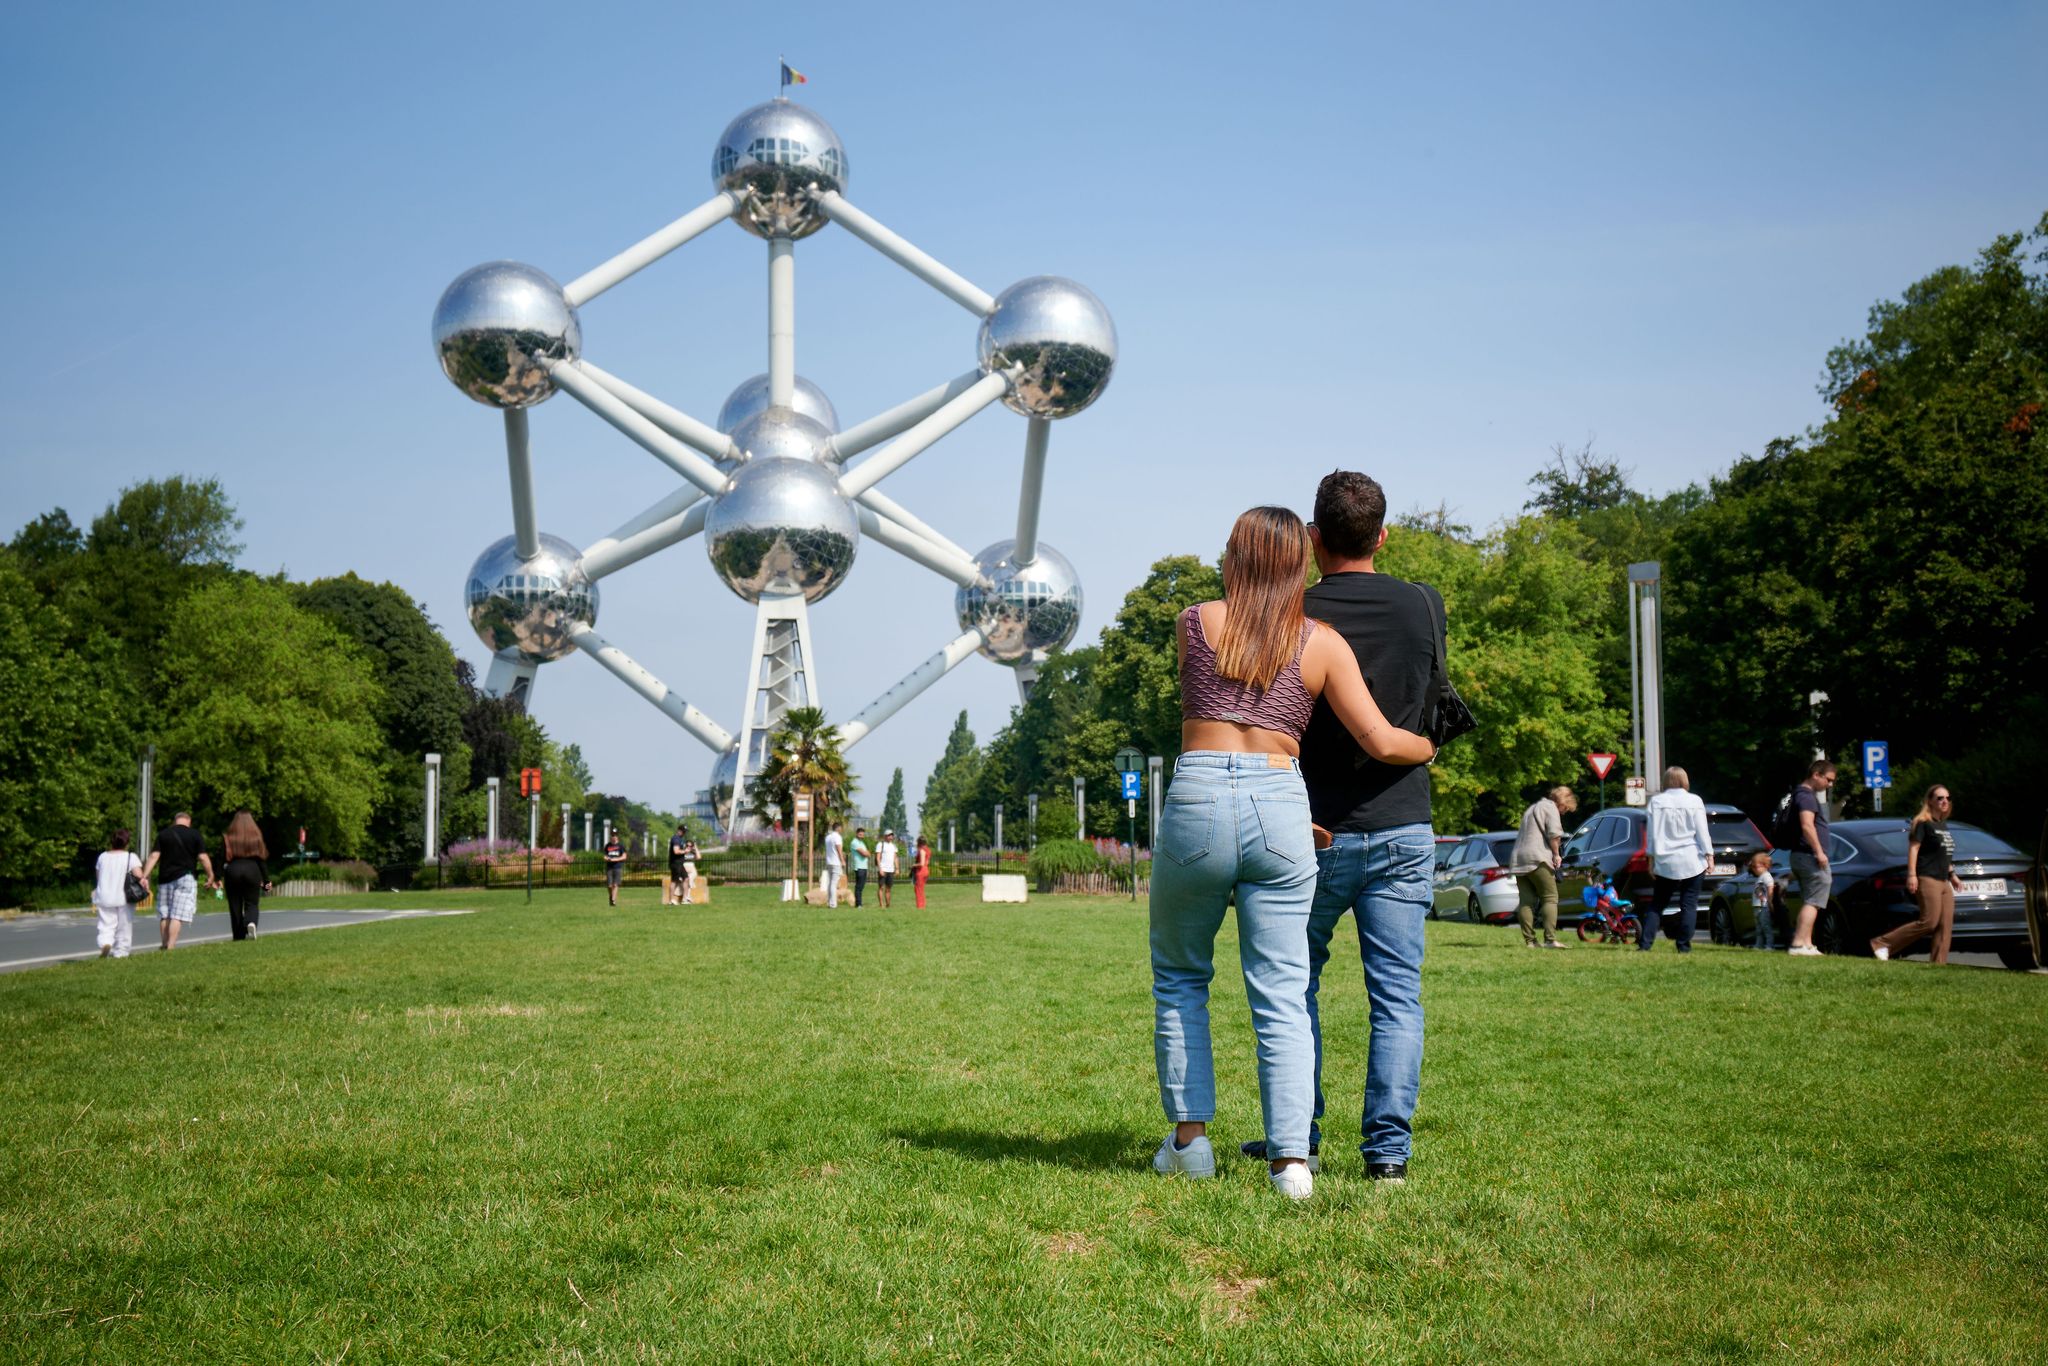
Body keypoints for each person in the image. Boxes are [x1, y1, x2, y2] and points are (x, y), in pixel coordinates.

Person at [1151, 505, 1435, 1201]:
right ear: (1299, 563)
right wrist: (1427, 743)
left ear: (1235, 559)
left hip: (1197, 798)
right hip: (1283, 804)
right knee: (1281, 991)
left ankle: (1190, 1144)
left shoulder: (1193, 622)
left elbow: (1225, 685)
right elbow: (1377, 737)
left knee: (1182, 977)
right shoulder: (1323, 643)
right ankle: (1291, 1165)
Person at [1248, 470, 1447, 1187]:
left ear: (1313, 537)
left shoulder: (1287, 613)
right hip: (1403, 822)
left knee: (1294, 985)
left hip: (1311, 827)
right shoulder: (1424, 607)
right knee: (1397, 994)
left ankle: (1298, 1133)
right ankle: (1388, 1153)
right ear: (1383, 536)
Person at [1872, 784, 1963, 963]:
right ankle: (1882, 944)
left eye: (1947, 798)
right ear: (1929, 801)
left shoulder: (1942, 825)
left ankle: (1938, 965)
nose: (1945, 801)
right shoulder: (1922, 823)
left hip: (1944, 880)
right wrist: (1912, 875)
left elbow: (1944, 854)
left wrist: (1953, 875)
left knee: (1945, 926)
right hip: (1927, 878)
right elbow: (1913, 850)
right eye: (1940, 798)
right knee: (1929, 921)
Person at [1640, 767, 1713, 952]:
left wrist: (1651, 859)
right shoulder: (1695, 800)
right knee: (1689, 904)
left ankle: (1645, 944)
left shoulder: (1656, 802)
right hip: (1692, 859)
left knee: (1657, 904)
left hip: (1666, 860)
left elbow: (1653, 836)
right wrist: (1709, 855)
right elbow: (1702, 832)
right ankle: (1683, 946)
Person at [1778, 760, 1838, 957]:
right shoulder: (1806, 797)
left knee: (1809, 900)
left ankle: (1807, 943)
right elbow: (1807, 825)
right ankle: (1798, 944)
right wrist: (1819, 852)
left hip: (1800, 855)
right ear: (1816, 775)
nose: (1829, 785)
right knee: (1813, 901)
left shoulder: (1799, 794)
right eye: (1828, 780)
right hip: (1809, 856)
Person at [1510, 786, 1577, 949]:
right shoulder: (1550, 808)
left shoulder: (1532, 808)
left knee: (1526, 901)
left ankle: (1530, 942)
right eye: (1565, 809)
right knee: (1550, 897)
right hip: (1538, 857)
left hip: (1519, 858)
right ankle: (1550, 939)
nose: (1563, 812)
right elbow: (1554, 834)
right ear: (1562, 802)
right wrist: (1556, 854)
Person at [141, 811, 213, 952]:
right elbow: (203, 858)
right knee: (177, 915)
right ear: (189, 822)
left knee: (165, 913)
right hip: (185, 877)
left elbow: (154, 856)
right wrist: (210, 875)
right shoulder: (194, 835)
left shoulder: (164, 834)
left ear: (175, 821)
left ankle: (163, 944)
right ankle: (171, 946)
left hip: (164, 879)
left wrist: (144, 876)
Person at [219, 809, 271, 942]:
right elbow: (261, 860)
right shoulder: (256, 838)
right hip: (252, 869)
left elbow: (221, 858)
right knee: (252, 903)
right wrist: (266, 880)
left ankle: (238, 935)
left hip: (233, 869)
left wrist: (218, 877)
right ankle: (250, 922)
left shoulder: (228, 838)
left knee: (235, 904)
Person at [91, 829, 143, 959]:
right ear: (126, 842)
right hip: (124, 896)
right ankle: (121, 952)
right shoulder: (131, 857)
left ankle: (105, 943)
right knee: (124, 926)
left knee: (105, 924)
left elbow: (98, 876)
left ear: (112, 841)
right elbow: (139, 875)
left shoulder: (102, 856)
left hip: (104, 896)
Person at [1746, 851, 1777, 950]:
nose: (1754, 869)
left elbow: (1770, 887)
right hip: (1757, 905)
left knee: (1766, 926)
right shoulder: (1760, 877)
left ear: (1766, 866)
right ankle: (1759, 944)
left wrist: (1770, 901)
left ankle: (1769, 945)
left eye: (1756, 867)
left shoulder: (1767, 876)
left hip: (1764, 906)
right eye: (1753, 867)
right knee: (1759, 927)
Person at [666, 823, 691, 906]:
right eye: (683, 831)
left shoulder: (680, 839)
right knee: (674, 881)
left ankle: (684, 899)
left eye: (685, 832)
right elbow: (676, 851)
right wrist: (685, 851)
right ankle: (671, 900)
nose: (684, 833)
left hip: (680, 863)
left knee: (686, 878)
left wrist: (687, 848)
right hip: (675, 863)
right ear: (679, 830)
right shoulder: (675, 839)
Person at [602, 828, 627, 906]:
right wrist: (607, 858)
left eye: (615, 835)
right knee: (609, 885)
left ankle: (613, 900)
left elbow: (624, 857)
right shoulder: (607, 846)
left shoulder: (621, 846)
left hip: (618, 867)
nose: (614, 836)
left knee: (615, 885)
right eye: (612, 835)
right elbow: (605, 856)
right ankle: (611, 896)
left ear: (617, 836)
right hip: (609, 867)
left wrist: (616, 859)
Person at [875, 830, 900, 908]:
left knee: (888, 888)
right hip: (883, 869)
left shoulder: (894, 846)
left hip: (891, 870)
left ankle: (888, 904)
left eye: (891, 835)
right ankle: (881, 904)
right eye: (889, 835)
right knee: (881, 887)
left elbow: (895, 858)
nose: (890, 837)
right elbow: (878, 857)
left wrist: (897, 868)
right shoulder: (880, 844)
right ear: (885, 836)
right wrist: (880, 869)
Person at [823, 821, 845, 906]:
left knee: (830, 882)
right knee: (833, 883)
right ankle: (833, 903)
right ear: (838, 828)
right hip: (836, 862)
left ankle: (829, 901)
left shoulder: (828, 837)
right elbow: (839, 850)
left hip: (829, 861)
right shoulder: (838, 837)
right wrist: (842, 860)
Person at [850, 827, 871, 907]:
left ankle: (859, 903)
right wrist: (867, 853)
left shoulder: (862, 843)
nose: (861, 836)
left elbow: (868, 853)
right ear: (856, 834)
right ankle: (858, 904)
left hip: (864, 867)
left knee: (861, 886)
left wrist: (867, 853)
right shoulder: (854, 842)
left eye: (862, 834)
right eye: (860, 834)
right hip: (859, 867)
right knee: (859, 886)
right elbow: (865, 854)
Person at [913, 835, 932, 908]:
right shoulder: (928, 850)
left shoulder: (921, 850)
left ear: (919, 842)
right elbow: (927, 862)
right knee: (921, 888)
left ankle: (920, 906)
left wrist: (913, 865)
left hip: (921, 871)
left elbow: (921, 863)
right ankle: (923, 905)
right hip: (926, 870)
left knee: (918, 889)